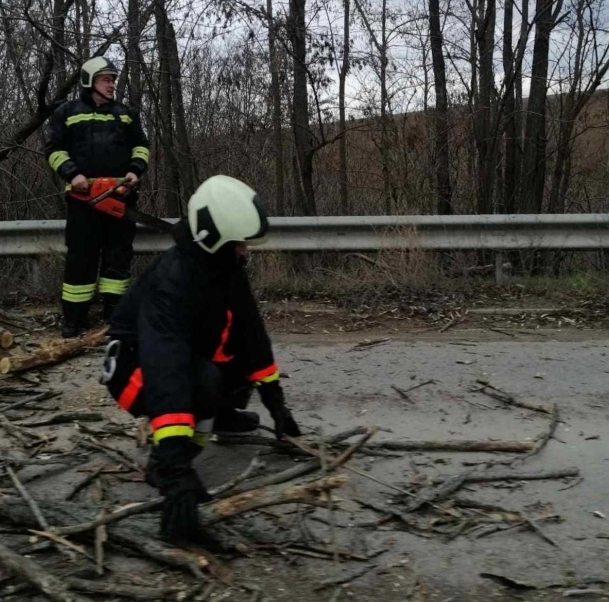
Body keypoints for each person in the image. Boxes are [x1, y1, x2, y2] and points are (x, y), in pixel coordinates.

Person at [101, 175, 301, 546]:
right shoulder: (172, 283)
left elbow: (250, 334)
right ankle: (162, 462)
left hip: (174, 358)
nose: (245, 250)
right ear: (214, 238)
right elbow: (167, 370)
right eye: (239, 243)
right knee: (204, 380)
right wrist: (174, 468)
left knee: (232, 358)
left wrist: (275, 400)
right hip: (134, 370)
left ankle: (220, 415)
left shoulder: (223, 267)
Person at [45, 56, 150, 338]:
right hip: (83, 199)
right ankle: (74, 318)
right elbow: (54, 149)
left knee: (118, 257)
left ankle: (115, 315)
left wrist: (134, 171)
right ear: (89, 81)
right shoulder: (67, 112)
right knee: (81, 258)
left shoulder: (126, 114)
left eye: (113, 80)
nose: (112, 84)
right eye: (106, 79)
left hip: (120, 196)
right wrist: (72, 174)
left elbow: (141, 146)